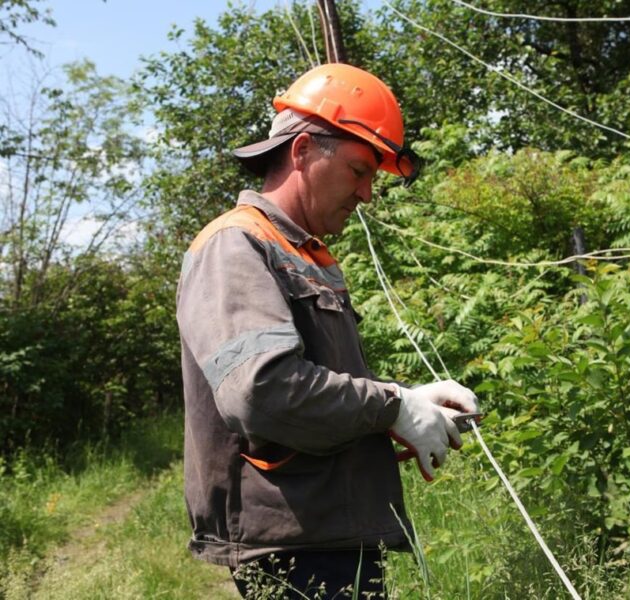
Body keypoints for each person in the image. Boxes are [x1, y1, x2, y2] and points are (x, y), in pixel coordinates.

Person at [176, 63, 479, 599]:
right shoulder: (235, 245)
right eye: (359, 170)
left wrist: (408, 400)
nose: (367, 194)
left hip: (329, 530)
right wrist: (392, 407)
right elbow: (262, 391)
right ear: (302, 152)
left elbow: (318, 382)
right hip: (292, 542)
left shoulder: (305, 254)